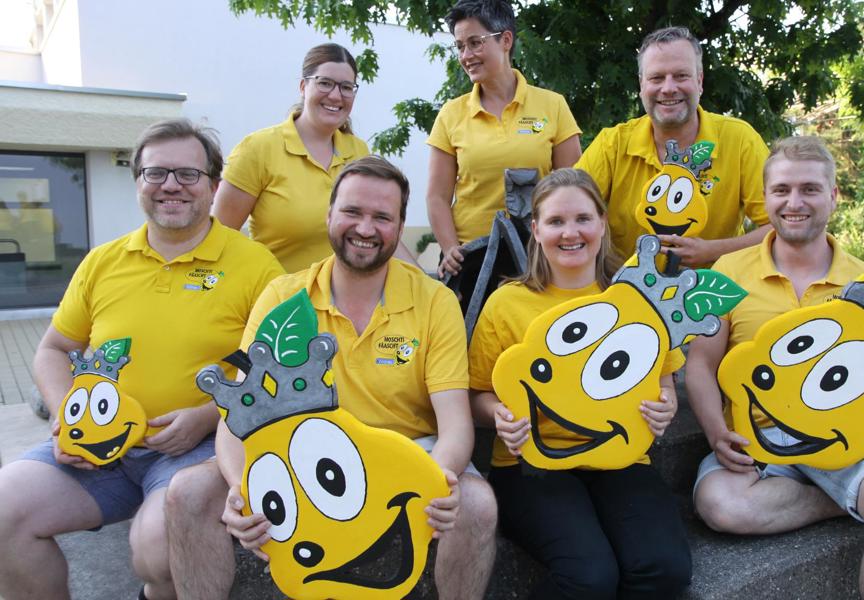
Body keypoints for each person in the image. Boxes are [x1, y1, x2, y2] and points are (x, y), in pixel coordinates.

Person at [165, 156, 497, 599]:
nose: (365, 227)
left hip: (408, 448)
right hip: (294, 452)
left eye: (382, 217)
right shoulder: (284, 297)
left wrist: (438, 478)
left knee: (475, 505)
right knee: (186, 492)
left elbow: (454, 424)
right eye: (353, 212)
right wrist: (243, 487)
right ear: (329, 215)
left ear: (400, 228)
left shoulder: (435, 300)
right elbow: (236, 418)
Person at [0, 119, 284, 600]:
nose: (171, 185)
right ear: (138, 183)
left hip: (197, 449)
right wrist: (68, 417)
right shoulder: (103, 261)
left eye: (188, 174)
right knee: (4, 512)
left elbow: (275, 368)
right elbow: (52, 349)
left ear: (214, 186)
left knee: (154, 550)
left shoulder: (255, 266)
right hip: (96, 450)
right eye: (156, 173)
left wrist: (206, 416)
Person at [685, 136, 864, 600]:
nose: (794, 202)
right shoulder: (726, 272)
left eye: (809, 188)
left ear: (833, 195)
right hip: (758, 440)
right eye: (782, 190)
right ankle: (853, 501)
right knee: (720, 505)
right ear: (765, 199)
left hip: (849, 437)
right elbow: (701, 367)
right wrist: (713, 433)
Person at [469, 168, 692, 598]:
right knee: (589, 577)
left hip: (622, 457)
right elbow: (478, 393)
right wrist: (498, 414)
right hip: (531, 465)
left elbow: (664, 384)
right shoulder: (507, 303)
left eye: (582, 219)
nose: (570, 233)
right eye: (555, 222)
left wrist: (666, 405)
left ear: (603, 223)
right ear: (536, 230)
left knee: (664, 569)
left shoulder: (635, 299)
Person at [427, 0, 582, 309]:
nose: (466, 56)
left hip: (540, 257)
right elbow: (436, 196)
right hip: (474, 261)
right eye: (459, 46)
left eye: (474, 43)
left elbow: (575, 188)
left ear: (505, 40)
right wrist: (450, 248)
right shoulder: (451, 114)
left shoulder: (552, 105)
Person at [576, 26, 773, 267]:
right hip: (623, 293)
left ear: (699, 81)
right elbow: (567, 211)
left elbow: (778, 226)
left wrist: (712, 250)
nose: (668, 88)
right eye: (656, 78)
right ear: (641, 85)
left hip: (713, 295)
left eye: (681, 76)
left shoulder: (740, 139)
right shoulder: (612, 144)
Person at [215, 42, 418, 274]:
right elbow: (220, 237)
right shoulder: (258, 149)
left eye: (346, 87)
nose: (335, 95)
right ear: (303, 86)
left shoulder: (358, 151)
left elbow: (382, 230)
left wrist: (426, 283)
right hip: (280, 301)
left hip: (341, 304)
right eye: (324, 83)